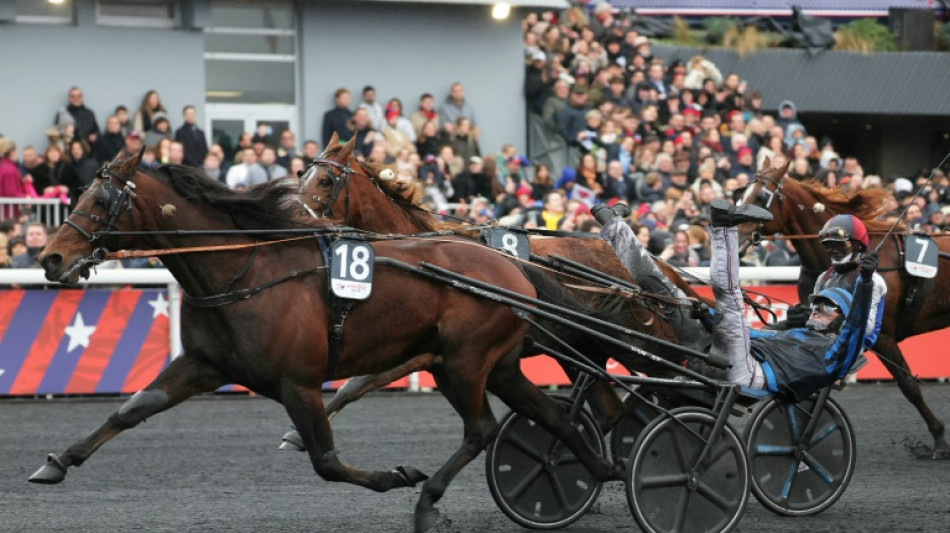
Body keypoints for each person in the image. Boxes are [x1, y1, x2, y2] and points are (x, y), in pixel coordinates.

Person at [593, 200, 877, 401]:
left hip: (748, 373)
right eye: (818, 306)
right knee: (670, 295)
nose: (817, 311)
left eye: (827, 309)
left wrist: (864, 282)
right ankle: (617, 229)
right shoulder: (804, 329)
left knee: (728, 296)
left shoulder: (838, 349)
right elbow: (756, 334)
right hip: (737, 357)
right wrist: (707, 317)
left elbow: (859, 326)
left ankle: (723, 230)